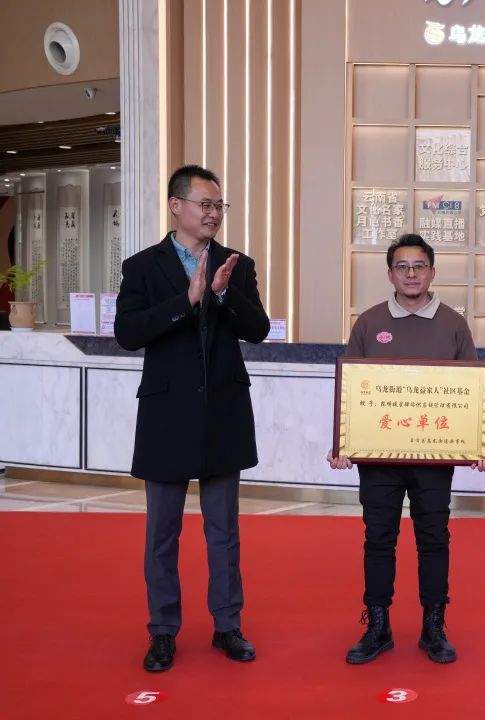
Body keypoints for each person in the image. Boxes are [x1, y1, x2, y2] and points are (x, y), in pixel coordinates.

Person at [115, 164, 270, 672]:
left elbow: (258, 329)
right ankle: (162, 631)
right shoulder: (142, 267)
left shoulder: (236, 265)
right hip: (166, 416)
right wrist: (188, 300)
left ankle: (228, 625)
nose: (214, 214)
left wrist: (223, 293)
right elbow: (128, 333)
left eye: (219, 206)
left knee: (223, 532)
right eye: (206, 204)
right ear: (176, 206)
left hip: (223, 413)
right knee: (162, 535)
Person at [327, 233, 485, 666]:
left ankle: (433, 626)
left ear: (432, 272)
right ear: (390, 274)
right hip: (378, 459)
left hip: (433, 457)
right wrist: (342, 443)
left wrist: (480, 442)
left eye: (419, 266)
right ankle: (378, 626)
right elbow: (351, 392)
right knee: (378, 539)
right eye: (402, 266)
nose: (411, 274)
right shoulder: (368, 323)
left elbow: (472, 392)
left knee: (434, 538)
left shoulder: (453, 324)